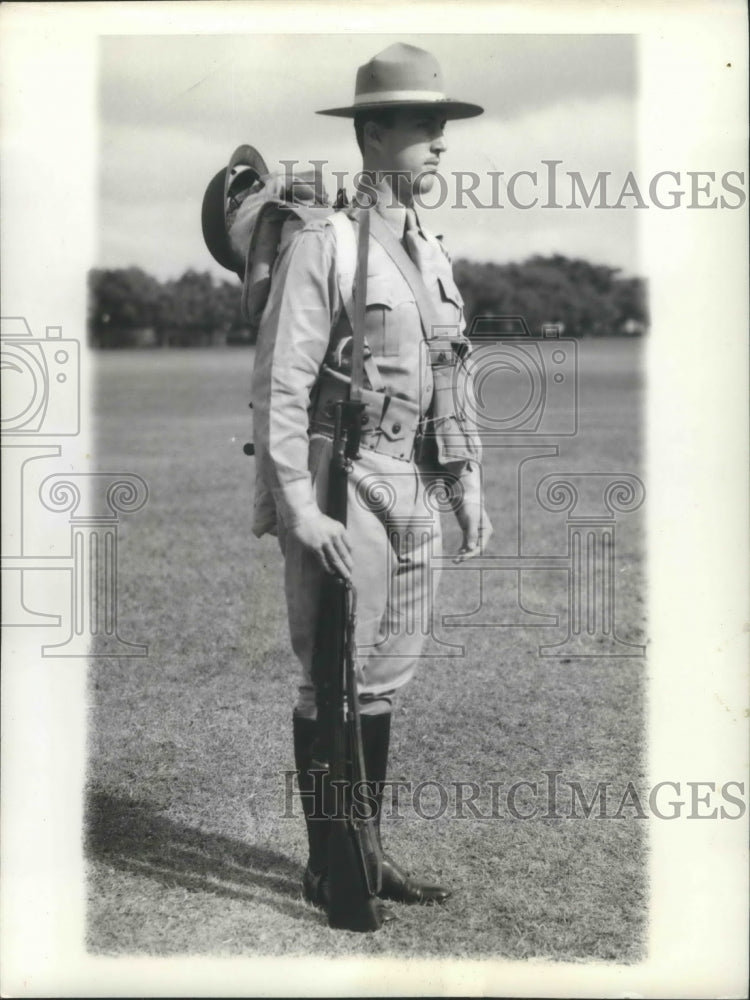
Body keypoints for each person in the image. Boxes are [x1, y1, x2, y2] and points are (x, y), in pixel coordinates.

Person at [237, 43, 493, 919]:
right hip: (346, 476)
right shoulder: (326, 243)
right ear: (372, 133)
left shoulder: (430, 250)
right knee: (330, 675)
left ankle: (367, 854)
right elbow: (280, 381)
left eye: (443, 127)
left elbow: (449, 369)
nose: (440, 143)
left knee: (382, 678)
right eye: (426, 126)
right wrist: (298, 507)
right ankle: (332, 867)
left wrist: (465, 481)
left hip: (414, 480)